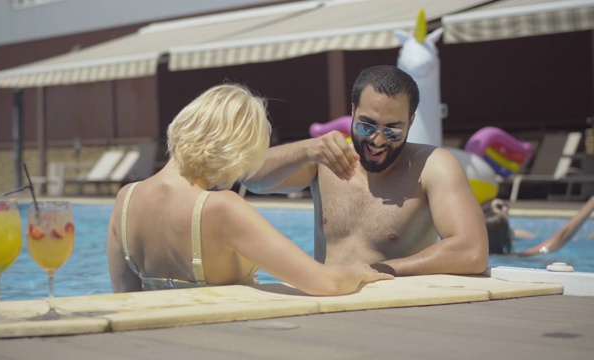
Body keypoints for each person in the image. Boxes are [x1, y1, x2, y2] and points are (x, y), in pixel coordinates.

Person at [107, 84, 393, 296]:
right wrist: (358, 271)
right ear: (234, 149)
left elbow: (124, 297)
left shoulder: (125, 199)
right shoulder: (221, 208)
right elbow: (324, 283)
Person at [243, 65, 489, 276]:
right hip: (327, 302)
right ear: (352, 112)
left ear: (411, 122)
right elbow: (251, 178)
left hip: (392, 306)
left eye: (393, 130)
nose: (378, 140)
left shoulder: (432, 166)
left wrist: (382, 271)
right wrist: (306, 149)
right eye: (366, 126)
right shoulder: (326, 160)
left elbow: (472, 251)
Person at [483, 196, 594, 255]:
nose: (506, 209)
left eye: (506, 205)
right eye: (500, 207)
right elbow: (560, 238)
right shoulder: (513, 256)